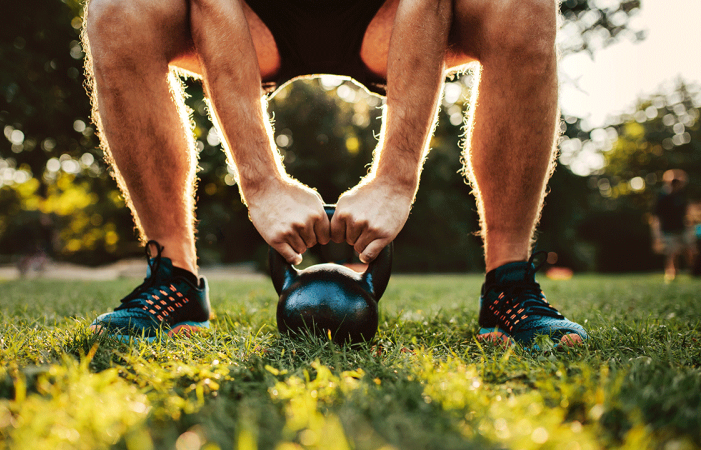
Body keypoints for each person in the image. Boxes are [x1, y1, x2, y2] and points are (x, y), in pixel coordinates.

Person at [82, 0, 587, 347]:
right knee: (118, 10)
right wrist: (262, 185)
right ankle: (174, 278)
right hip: (252, 15)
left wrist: (394, 179)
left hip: (386, 13)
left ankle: (508, 283)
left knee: (523, 6)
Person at [652, 170, 693, 282]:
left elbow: (687, 214)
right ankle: (672, 274)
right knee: (672, 253)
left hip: (682, 228)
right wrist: (657, 236)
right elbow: (656, 218)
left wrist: (690, 227)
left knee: (689, 250)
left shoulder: (681, 195)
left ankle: (694, 271)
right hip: (668, 230)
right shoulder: (662, 197)